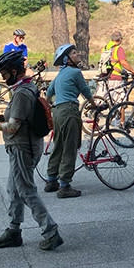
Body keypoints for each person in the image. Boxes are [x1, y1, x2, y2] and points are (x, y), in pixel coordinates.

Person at [0, 50, 63, 251]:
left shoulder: (23, 93)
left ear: (14, 71)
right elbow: (18, 119)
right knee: (14, 190)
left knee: (25, 190)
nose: (3, 78)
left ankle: (50, 231)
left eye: (5, 74)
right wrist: (0, 119)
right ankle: (13, 231)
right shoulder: (25, 87)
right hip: (23, 145)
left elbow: (14, 127)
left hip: (23, 147)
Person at [43, 43, 93, 198]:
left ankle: (52, 180)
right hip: (69, 111)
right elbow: (85, 91)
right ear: (67, 59)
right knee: (70, 147)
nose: (77, 54)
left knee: (58, 145)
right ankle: (64, 186)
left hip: (57, 112)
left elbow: (48, 94)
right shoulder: (75, 72)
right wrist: (94, 104)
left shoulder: (59, 76)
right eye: (73, 53)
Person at [97, 31, 134, 103]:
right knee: (121, 103)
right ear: (120, 39)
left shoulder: (104, 48)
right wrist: (133, 71)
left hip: (104, 76)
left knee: (101, 101)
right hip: (116, 78)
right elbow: (123, 63)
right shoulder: (118, 49)